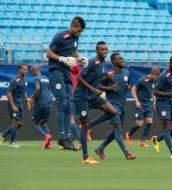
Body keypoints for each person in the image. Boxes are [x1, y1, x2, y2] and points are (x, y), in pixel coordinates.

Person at [47, 16, 88, 151]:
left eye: (81, 32)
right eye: (77, 31)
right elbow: (49, 53)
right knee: (62, 102)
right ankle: (62, 137)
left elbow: (73, 51)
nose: (79, 34)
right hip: (56, 70)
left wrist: (79, 58)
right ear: (72, 26)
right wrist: (62, 59)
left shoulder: (76, 38)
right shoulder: (60, 36)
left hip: (66, 72)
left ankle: (68, 138)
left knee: (69, 104)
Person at [74, 41, 118, 165]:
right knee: (84, 124)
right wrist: (93, 89)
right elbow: (79, 78)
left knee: (113, 112)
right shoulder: (92, 62)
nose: (105, 51)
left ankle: (90, 126)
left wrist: (108, 88)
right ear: (97, 50)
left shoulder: (102, 63)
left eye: (106, 49)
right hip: (82, 97)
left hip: (93, 96)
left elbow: (96, 82)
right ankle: (85, 158)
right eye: (102, 49)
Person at [88, 53, 136, 160]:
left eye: (122, 58)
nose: (122, 60)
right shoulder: (108, 74)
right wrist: (109, 89)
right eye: (119, 59)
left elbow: (126, 84)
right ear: (113, 62)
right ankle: (126, 153)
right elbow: (97, 85)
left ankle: (100, 147)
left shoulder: (127, 73)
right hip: (112, 104)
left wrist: (128, 87)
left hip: (122, 106)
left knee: (116, 131)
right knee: (118, 129)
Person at [151, 55, 172, 160]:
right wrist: (170, 94)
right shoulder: (164, 75)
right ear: (171, 63)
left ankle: (158, 139)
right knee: (166, 127)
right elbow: (155, 91)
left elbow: (170, 87)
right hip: (162, 103)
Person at [125, 67, 160, 147]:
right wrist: (136, 101)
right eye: (155, 76)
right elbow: (133, 89)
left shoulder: (154, 81)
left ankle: (142, 141)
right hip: (140, 104)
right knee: (139, 124)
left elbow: (153, 92)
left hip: (148, 104)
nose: (156, 78)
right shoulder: (142, 80)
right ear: (151, 74)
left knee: (149, 121)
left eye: (157, 77)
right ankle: (129, 134)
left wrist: (154, 101)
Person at [0, 64, 31, 148]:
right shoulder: (15, 80)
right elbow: (9, 93)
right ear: (20, 70)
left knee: (20, 124)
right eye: (24, 69)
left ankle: (2, 135)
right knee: (15, 123)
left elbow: (24, 91)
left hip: (20, 104)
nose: (26, 71)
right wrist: (13, 106)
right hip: (13, 104)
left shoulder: (24, 80)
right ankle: (12, 143)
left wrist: (27, 101)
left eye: (27, 69)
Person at [30, 65, 53, 149]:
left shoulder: (36, 78)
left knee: (34, 123)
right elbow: (49, 90)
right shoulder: (46, 78)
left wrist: (33, 98)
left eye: (31, 71)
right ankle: (49, 144)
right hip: (49, 102)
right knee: (44, 123)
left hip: (41, 103)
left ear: (34, 70)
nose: (31, 73)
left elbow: (37, 88)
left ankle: (46, 136)